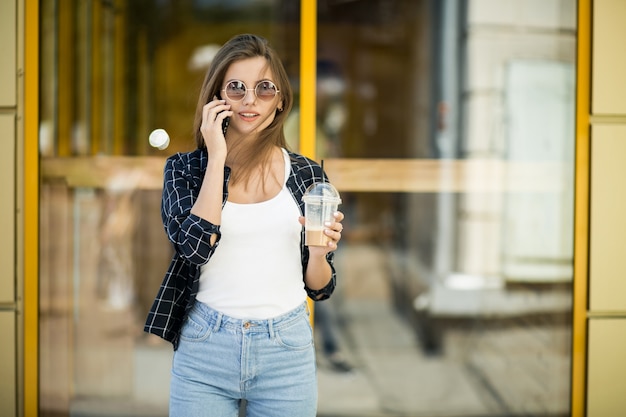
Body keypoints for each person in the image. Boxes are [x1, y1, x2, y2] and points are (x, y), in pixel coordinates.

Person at [144, 33, 345, 417]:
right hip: (205, 347)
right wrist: (217, 156)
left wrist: (319, 255)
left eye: (264, 88)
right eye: (236, 88)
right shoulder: (184, 171)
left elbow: (320, 288)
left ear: (281, 99)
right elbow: (194, 249)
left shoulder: (306, 174)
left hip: (286, 350)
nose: (250, 99)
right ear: (216, 98)